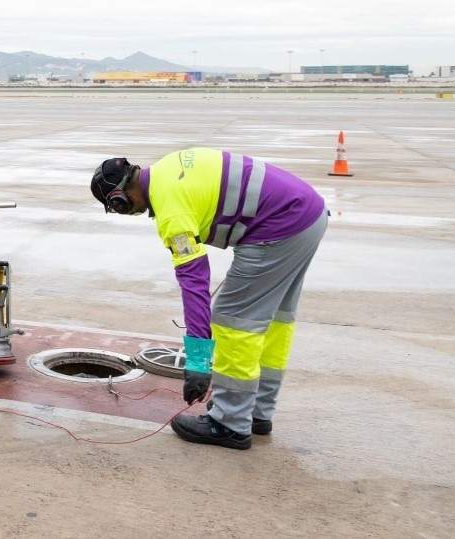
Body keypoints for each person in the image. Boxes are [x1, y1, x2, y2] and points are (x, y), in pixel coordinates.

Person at [89, 148, 327, 450]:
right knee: (273, 319)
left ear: (120, 198)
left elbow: (194, 282)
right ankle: (256, 413)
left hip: (279, 228)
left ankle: (229, 422)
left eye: (120, 207)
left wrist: (199, 363)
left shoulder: (170, 209)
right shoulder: (166, 170)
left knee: (234, 320)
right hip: (308, 215)